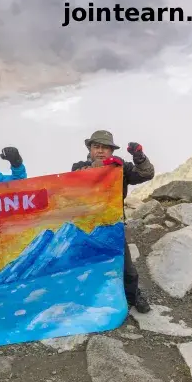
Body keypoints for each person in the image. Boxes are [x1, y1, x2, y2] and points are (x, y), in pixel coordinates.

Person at [71, 130, 154, 313]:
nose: (100, 151)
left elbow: (147, 174)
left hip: (113, 227)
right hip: (87, 229)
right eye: (96, 147)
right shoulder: (79, 167)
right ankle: (91, 301)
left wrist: (139, 157)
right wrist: (101, 166)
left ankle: (133, 297)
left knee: (128, 270)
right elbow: (77, 179)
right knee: (89, 268)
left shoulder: (121, 167)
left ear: (112, 150)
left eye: (105, 148)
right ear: (90, 149)